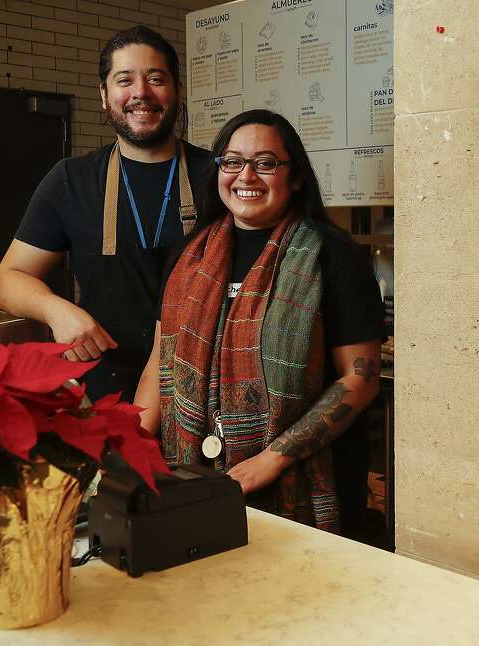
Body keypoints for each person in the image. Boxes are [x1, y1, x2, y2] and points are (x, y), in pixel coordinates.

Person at [134, 109, 384, 535]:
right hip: (192, 480)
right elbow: (162, 361)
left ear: (296, 176)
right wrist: (129, 445)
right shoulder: (187, 257)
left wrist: (270, 461)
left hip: (300, 482)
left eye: (265, 164)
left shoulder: (333, 257)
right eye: (232, 162)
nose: (245, 176)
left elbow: (360, 379)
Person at [0, 26, 210, 404]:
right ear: (104, 95)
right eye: (124, 80)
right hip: (105, 394)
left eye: (156, 79)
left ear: (176, 90)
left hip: (205, 391)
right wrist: (56, 310)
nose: (140, 92)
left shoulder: (219, 178)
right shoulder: (70, 180)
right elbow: (9, 279)